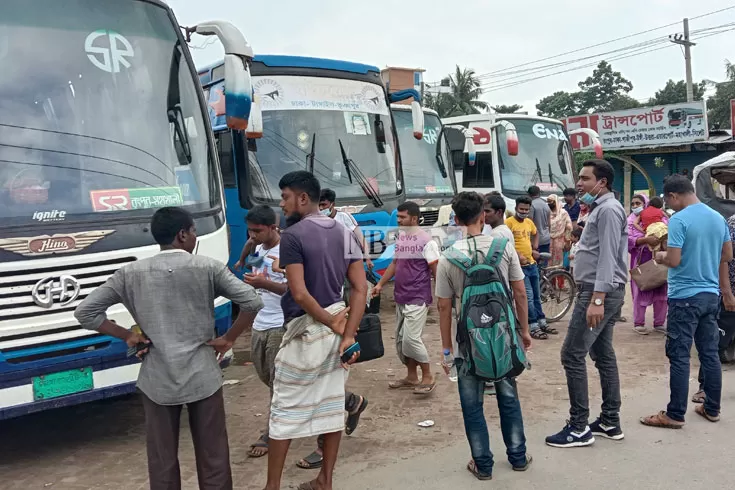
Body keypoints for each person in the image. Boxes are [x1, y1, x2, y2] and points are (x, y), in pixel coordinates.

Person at [74, 207, 264, 490]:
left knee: (162, 459)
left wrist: (127, 335)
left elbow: (86, 312)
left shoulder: (129, 273)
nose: (195, 238)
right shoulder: (207, 267)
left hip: (157, 377)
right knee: (213, 456)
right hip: (203, 374)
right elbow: (251, 301)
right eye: (194, 232)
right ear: (182, 234)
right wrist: (229, 338)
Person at [264, 171, 367, 490]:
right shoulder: (343, 231)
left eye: (285, 197)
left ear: (303, 198)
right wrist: (347, 332)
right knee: (331, 405)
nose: (281, 204)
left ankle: (272, 486)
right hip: (337, 331)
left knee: (282, 410)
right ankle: (325, 480)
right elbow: (361, 288)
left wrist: (328, 320)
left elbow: (298, 293)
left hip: (309, 330)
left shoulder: (292, 237)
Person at [435, 191, 533, 480]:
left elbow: (443, 306)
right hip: (503, 336)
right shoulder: (504, 246)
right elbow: (519, 293)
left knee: (471, 403)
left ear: (455, 219)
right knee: (508, 396)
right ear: (483, 216)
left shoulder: (447, 258)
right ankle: (517, 456)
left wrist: (446, 350)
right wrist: (524, 331)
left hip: (468, 343)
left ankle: (483, 464)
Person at [546, 159, 627, 448]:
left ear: (601, 182)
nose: (579, 183)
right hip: (601, 288)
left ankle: (579, 427)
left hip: (597, 290)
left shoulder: (607, 209)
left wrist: (597, 299)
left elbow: (607, 256)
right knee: (602, 354)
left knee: (572, 354)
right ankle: (609, 420)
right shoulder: (601, 208)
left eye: (584, 178)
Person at [641, 175, 732, 429]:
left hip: (684, 297)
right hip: (710, 295)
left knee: (680, 355)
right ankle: (712, 408)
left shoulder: (679, 219)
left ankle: (675, 414)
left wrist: (659, 256)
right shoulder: (717, 217)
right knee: (709, 353)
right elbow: (727, 255)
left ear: (673, 196)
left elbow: (674, 260)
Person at [373, 201, 440, 394]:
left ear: (414, 218)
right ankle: (412, 376)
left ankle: (427, 375)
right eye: (398, 217)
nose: (399, 220)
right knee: (401, 342)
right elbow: (394, 264)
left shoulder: (428, 241)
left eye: (402, 217)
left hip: (418, 297)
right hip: (401, 296)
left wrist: (441, 297)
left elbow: (436, 270)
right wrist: (379, 284)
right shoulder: (402, 238)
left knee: (411, 339)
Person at [239, 206, 289, 459]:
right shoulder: (259, 249)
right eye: (250, 230)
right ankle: (348, 401)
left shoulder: (288, 251)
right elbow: (249, 265)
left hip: (280, 324)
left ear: (273, 227)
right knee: (268, 377)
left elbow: (295, 291)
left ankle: (272, 432)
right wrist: (245, 254)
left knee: (278, 384)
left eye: (257, 230)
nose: (252, 234)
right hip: (259, 322)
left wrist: (265, 283)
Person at [692, 212, 735, 404]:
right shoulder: (732, 224)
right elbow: (722, 258)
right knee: (716, 342)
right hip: (731, 293)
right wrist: (726, 293)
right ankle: (705, 387)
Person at [506, 196, 554, 340]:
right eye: (521, 209)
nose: (524, 212)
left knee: (537, 295)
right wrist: (518, 255)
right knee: (528, 297)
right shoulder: (508, 223)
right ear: (515, 208)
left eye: (527, 210)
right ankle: (532, 325)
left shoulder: (529, 222)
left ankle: (542, 322)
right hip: (519, 267)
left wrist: (535, 246)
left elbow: (536, 233)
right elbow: (506, 244)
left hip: (532, 264)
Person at [627, 195, 669, 336]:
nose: (635, 206)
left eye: (638, 203)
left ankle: (659, 323)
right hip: (640, 259)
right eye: (632, 203)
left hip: (660, 260)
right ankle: (639, 323)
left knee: (661, 290)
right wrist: (645, 239)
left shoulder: (660, 217)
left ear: (645, 204)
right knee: (641, 289)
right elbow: (627, 239)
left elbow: (668, 230)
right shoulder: (630, 220)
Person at [319, 188, 374, 270]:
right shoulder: (317, 219)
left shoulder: (344, 217)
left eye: (324, 205)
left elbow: (360, 238)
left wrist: (368, 257)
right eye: (319, 205)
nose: (321, 208)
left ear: (332, 204)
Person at [547, 194, 572, 269]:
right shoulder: (546, 212)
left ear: (556, 201)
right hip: (548, 240)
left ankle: (558, 279)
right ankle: (549, 279)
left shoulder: (563, 213)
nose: (549, 203)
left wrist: (567, 242)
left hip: (560, 240)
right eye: (548, 202)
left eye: (551, 201)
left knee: (558, 262)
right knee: (548, 261)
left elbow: (569, 227)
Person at [528, 185, 551, 256]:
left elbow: (529, 223)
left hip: (535, 240)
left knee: (535, 262)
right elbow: (549, 224)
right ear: (539, 193)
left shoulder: (531, 205)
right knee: (544, 260)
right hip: (546, 238)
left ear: (528, 194)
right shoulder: (546, 205)